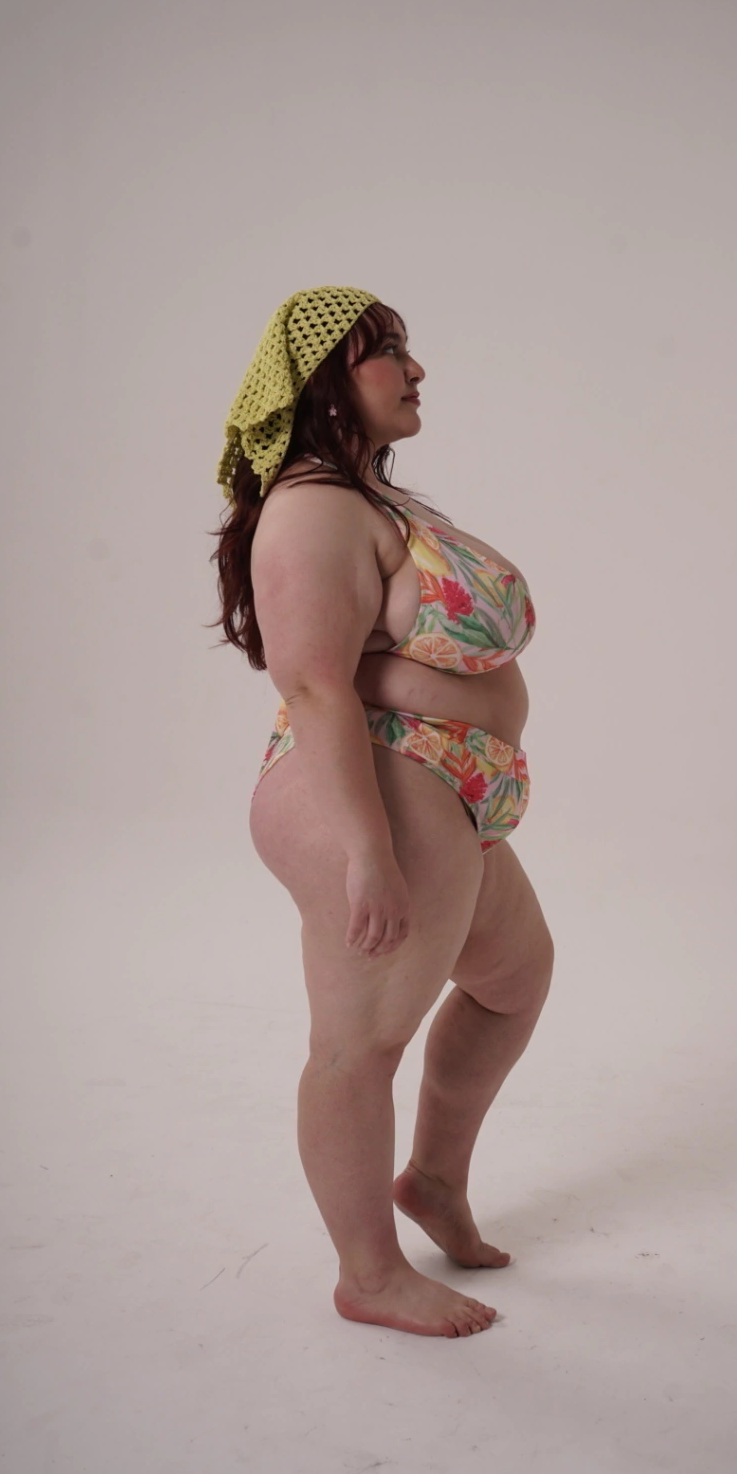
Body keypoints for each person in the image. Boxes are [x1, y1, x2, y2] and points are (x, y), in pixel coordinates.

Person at [209, 286, 554, 1339]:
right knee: (359, 1042)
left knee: (513, 978)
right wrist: (366, 850)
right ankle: (368, 1273)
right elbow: (313, 683)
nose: (414, 368)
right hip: (372, 783)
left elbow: (371, 659)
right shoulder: (311, 507)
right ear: (324, 381)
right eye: (387, 350)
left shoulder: (371, 499)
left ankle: (433, 1180)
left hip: (436, 780)